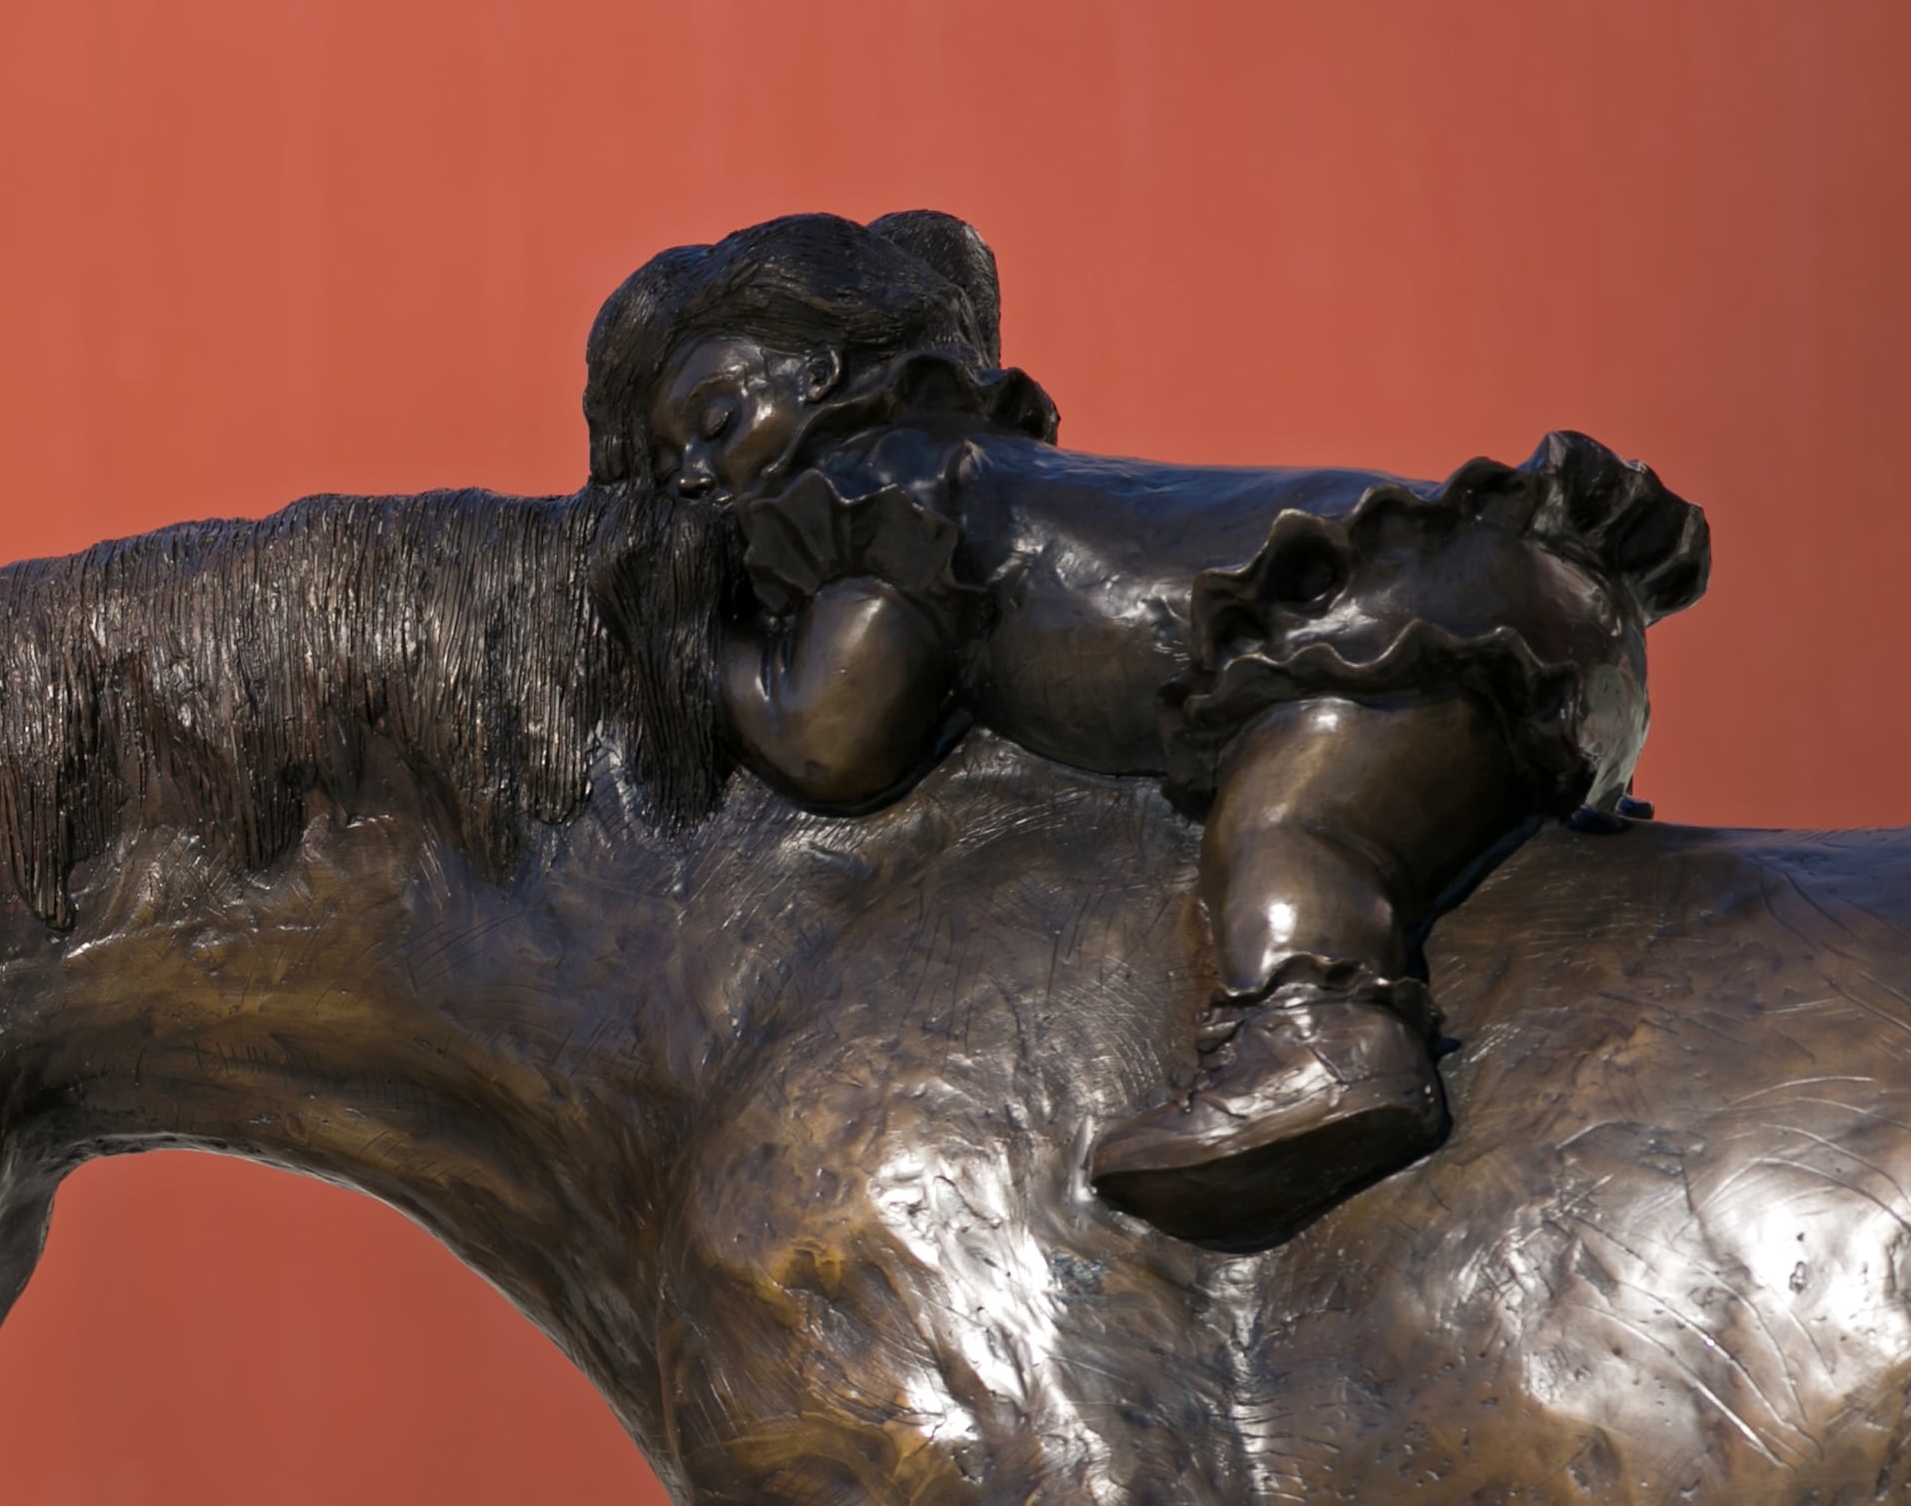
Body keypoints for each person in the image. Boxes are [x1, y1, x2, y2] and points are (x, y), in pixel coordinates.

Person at [585, 211, 1711, 1246]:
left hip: (1381, 611)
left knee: (1293, 831)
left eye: (716, 421)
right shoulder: (979, 473)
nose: (695, 476)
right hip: (1511, 602)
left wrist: (683, 644)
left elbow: (831, 734)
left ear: (827, 377)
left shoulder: (890, 492)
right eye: (673, 467)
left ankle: (1325, 1038)